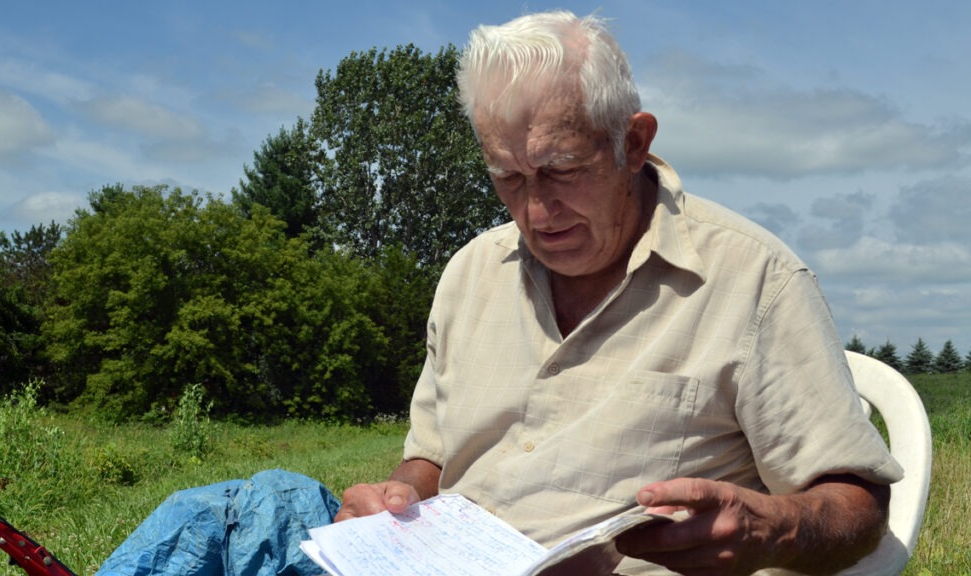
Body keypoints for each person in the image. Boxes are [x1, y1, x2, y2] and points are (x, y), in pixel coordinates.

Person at [99, 10, 902, 576]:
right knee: (235, 515)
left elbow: (856, 507)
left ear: (635, 141)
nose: (536, 212)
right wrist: (396, 498)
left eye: (560, 173)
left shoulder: (753, 281)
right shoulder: (470, 273)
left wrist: (775, 528)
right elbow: (430, 458)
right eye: (507, 180)